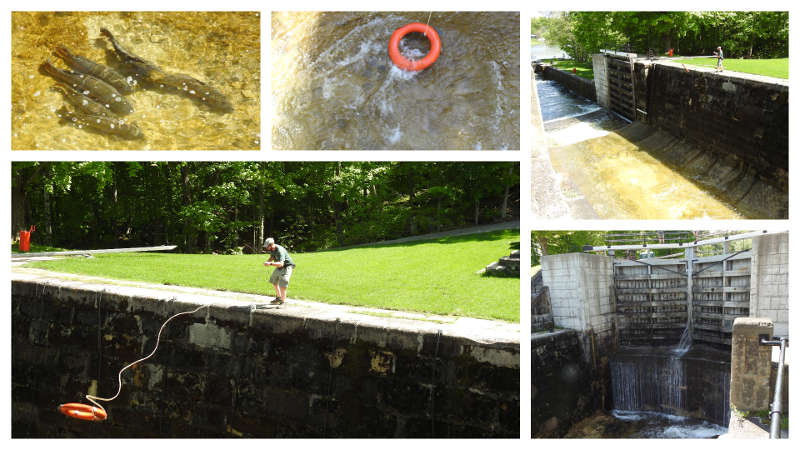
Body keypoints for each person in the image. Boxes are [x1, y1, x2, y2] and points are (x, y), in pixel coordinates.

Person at [263, 237, 295, 305]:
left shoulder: (279, 250)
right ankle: (278, 298)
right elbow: (272, 257)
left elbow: (281, 264)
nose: (266, 248)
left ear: (271, 245)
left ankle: (283, 302)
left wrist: (270, 263)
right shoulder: (272, 249)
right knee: (274, 280)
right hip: (279, 266)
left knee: (282, 283)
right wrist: (268, 261)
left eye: (267, 247)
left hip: (287, 266)